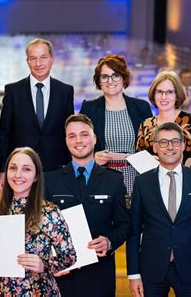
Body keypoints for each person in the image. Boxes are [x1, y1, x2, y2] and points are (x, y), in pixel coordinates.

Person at [44, 114, 131, 297]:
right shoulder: (50, 180)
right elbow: (40, 228)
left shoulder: (113, 179)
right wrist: (48, 259)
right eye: (72, 135)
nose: (78, 141)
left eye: (84, 134)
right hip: (60, 277)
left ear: (94, 138)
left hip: (99, 276)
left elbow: (124, 224)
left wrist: (109, 241)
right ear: (66, 141)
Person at [127, 122, 191, 297]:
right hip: (151, 271)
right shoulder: (142, 182)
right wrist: (133, 274)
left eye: (175, 141)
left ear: (182, 145)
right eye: (164, 142)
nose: (170, 147)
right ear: (155, 147)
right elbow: (134, 232)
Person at [0, 147, 76, 296]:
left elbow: (69, 257)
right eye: (13, 168)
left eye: (26, 169)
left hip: (38, 291)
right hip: (1, 291)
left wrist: (44, 264)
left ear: (36, 176)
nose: (18, 174)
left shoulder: (49, 212)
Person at [0, 38, 74, 189]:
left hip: (56, 170)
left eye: (43, 57)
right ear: (28, 61)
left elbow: (68, 133)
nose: (38, 64)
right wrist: (1, 170)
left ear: (52, 59)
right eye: (33, 58)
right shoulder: (13, 91)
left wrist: (70, 169)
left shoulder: (65, 91)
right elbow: (4, 133)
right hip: (21, 172)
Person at [80, 55, 152, 195]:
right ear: (98, 81)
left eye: (115, 75)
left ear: (123, 78)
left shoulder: (141, 107)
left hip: (138, 180)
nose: (110, 81)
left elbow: (150, 146)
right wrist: (92, 158)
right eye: (105, 76)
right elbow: (80, 145)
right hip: (103, 180)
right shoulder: (89, 109)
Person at [137, 71, 191, 172]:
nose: (164, 97)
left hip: (186, 184)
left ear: (177, 95)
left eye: (169, 92)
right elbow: (139, 164)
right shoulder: (146, 124)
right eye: (159, 92)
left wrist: (187, 172)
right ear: (153, 94)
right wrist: (148, 162)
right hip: (152, 185)